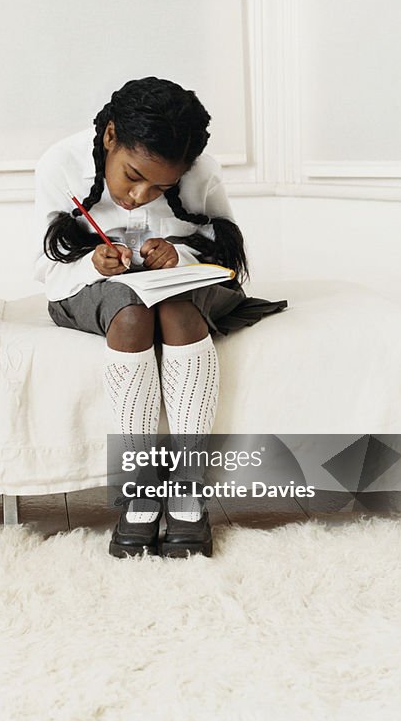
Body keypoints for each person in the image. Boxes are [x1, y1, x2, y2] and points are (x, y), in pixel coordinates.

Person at [35, 77, 285, 559]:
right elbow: (46, 267)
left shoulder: (202, 173)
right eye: (132, 176)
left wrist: (181, 256)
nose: (140, 195)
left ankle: (189, 485)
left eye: (161, 187)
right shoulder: (59, 164)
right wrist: (92, 264)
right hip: (92, 289)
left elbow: (227, 258)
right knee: (131, 316)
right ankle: (141, 486)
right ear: (110, 137)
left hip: (182, 290)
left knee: (176, 308)